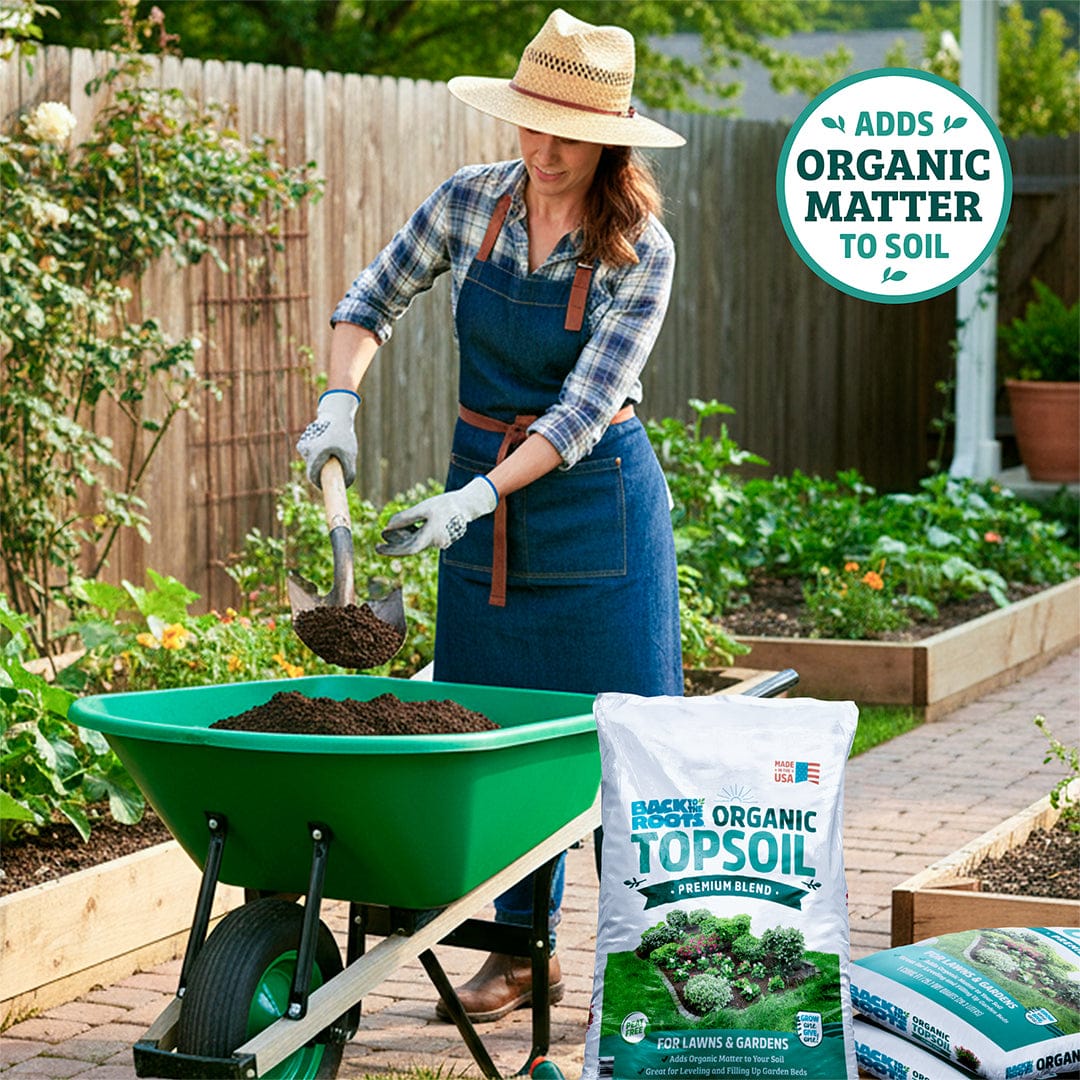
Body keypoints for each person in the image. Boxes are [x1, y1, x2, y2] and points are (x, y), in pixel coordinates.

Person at [296, 7, 685, 1024]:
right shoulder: (469, 204)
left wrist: (473, 497)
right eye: (529, 122)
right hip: (481, 517)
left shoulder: (640, 250)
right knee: (494, 735)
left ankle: (646, 968)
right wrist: (339, 400)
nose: (543, 149)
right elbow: (370, 298)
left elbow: (585, 410)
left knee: (625, 752)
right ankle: (521, 955)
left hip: (596, 516)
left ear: (610, 137)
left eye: (566, 131)